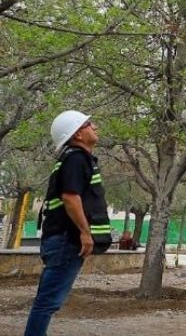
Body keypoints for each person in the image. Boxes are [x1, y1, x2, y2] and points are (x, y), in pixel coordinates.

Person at [25, 111, 112, 336]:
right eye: (88, 124)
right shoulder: (76, 159)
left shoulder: (73, 159)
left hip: (62, 240)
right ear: (77, 134)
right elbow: (70, 197)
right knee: (47, 303)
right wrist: (85, 232)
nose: (95, 126)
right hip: (66, 241)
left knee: (48, 301)